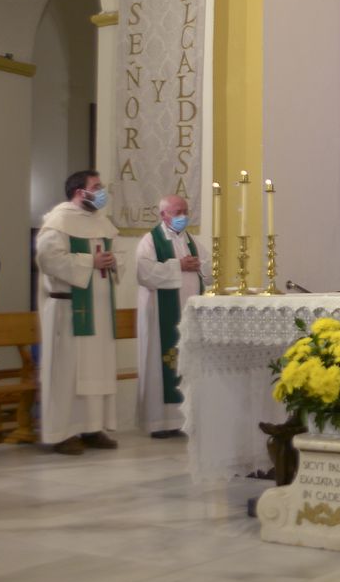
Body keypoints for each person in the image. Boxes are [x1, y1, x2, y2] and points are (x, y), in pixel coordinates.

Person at [36, 170, 126, 454]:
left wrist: (112, 261)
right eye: (96, 187)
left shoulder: (102, 222)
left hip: (99, 310)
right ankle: (61, 433)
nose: (102, 192)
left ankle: (91, 427)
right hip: (69, 309)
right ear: (79, 192)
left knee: (96, 371)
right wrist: (91, 261)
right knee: (67, 374)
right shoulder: (58, 222)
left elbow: (119, 256)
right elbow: (48, 259)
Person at [134, 194, 210, 438]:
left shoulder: (193, 242)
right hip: (160, 318)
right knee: (161, 364)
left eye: (185, 211)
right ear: (163, 215)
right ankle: (159, 422)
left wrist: (201, 266)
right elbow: (144, 273)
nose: (182, 217)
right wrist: (179, 265)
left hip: (189, 316)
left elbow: (210, 270)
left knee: (187, 364)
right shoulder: (150, 241)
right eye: (177, 212)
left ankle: (183, 420)